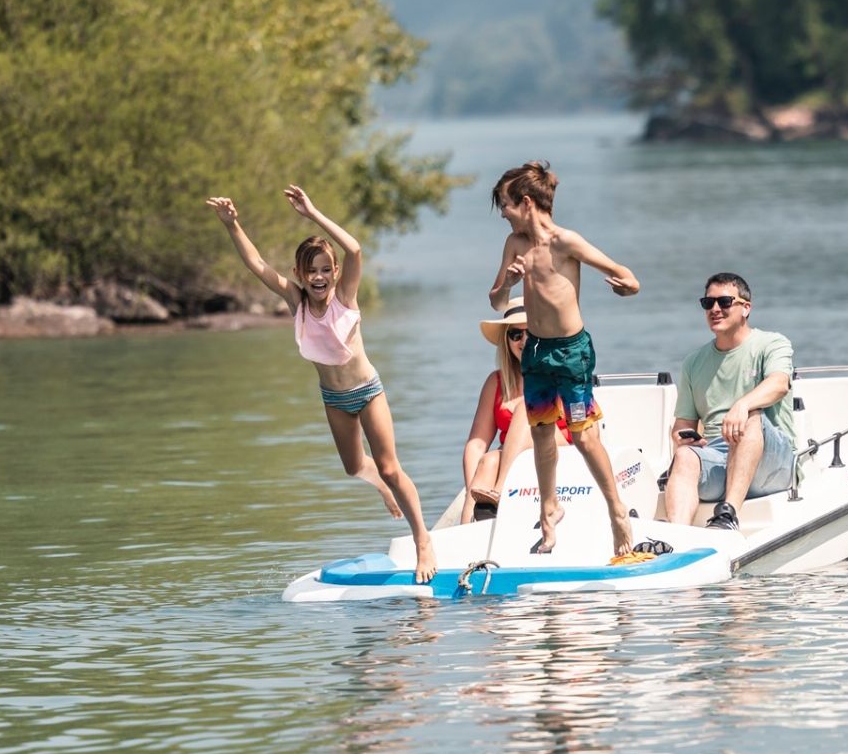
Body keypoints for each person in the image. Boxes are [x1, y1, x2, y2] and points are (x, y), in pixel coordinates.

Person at [207, 185, 436, 582]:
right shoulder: (297, 303)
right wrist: (233, 225)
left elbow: (355, 250)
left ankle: (422, 540)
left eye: (325, 270)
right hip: (333, 398)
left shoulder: (345, 297)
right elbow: (257, 264)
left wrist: (313, 213)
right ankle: (381, 485)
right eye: (311, 271)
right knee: (353, 468)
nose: (319, 277)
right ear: (300, 274)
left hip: (367, 392)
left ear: (334, 273)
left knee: (390, 466)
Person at [487, 160, 643, 560]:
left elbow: (626, 276)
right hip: (536, 352)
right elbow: (497, 300)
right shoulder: (515, 246)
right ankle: (549, 509)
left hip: (571, 352)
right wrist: (508, 279)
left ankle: (617, 511)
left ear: (525, 202)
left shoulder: (566, 242)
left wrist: (625, 286)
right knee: (540, 434)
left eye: (505, 205)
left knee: (585, 435)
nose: (502, 214)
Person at [659, 272, 797, 529]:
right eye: (707, 303)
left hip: (772, 463)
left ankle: (727, 515)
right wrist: (684, 438)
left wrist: (742, 405)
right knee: (686, 456)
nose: (715, 309)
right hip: (718, 458)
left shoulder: (772, 343)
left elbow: (779, 384)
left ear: (746, 308)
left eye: (724, 302)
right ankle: (678, 537)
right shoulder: (693, 362)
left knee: (751, 417)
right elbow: (682, 425)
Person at [462, 296, 569, 520]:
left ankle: (499, 493)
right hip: (513, 462)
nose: (523, 341)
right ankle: (467, 530)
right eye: (515, 334)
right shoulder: (496, 382)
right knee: (488, 461)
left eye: (531, 332)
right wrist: (470, 489)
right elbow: (476, 444)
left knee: (526, 408)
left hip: (561, 452)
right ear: (507, 340)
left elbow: (587, 431)